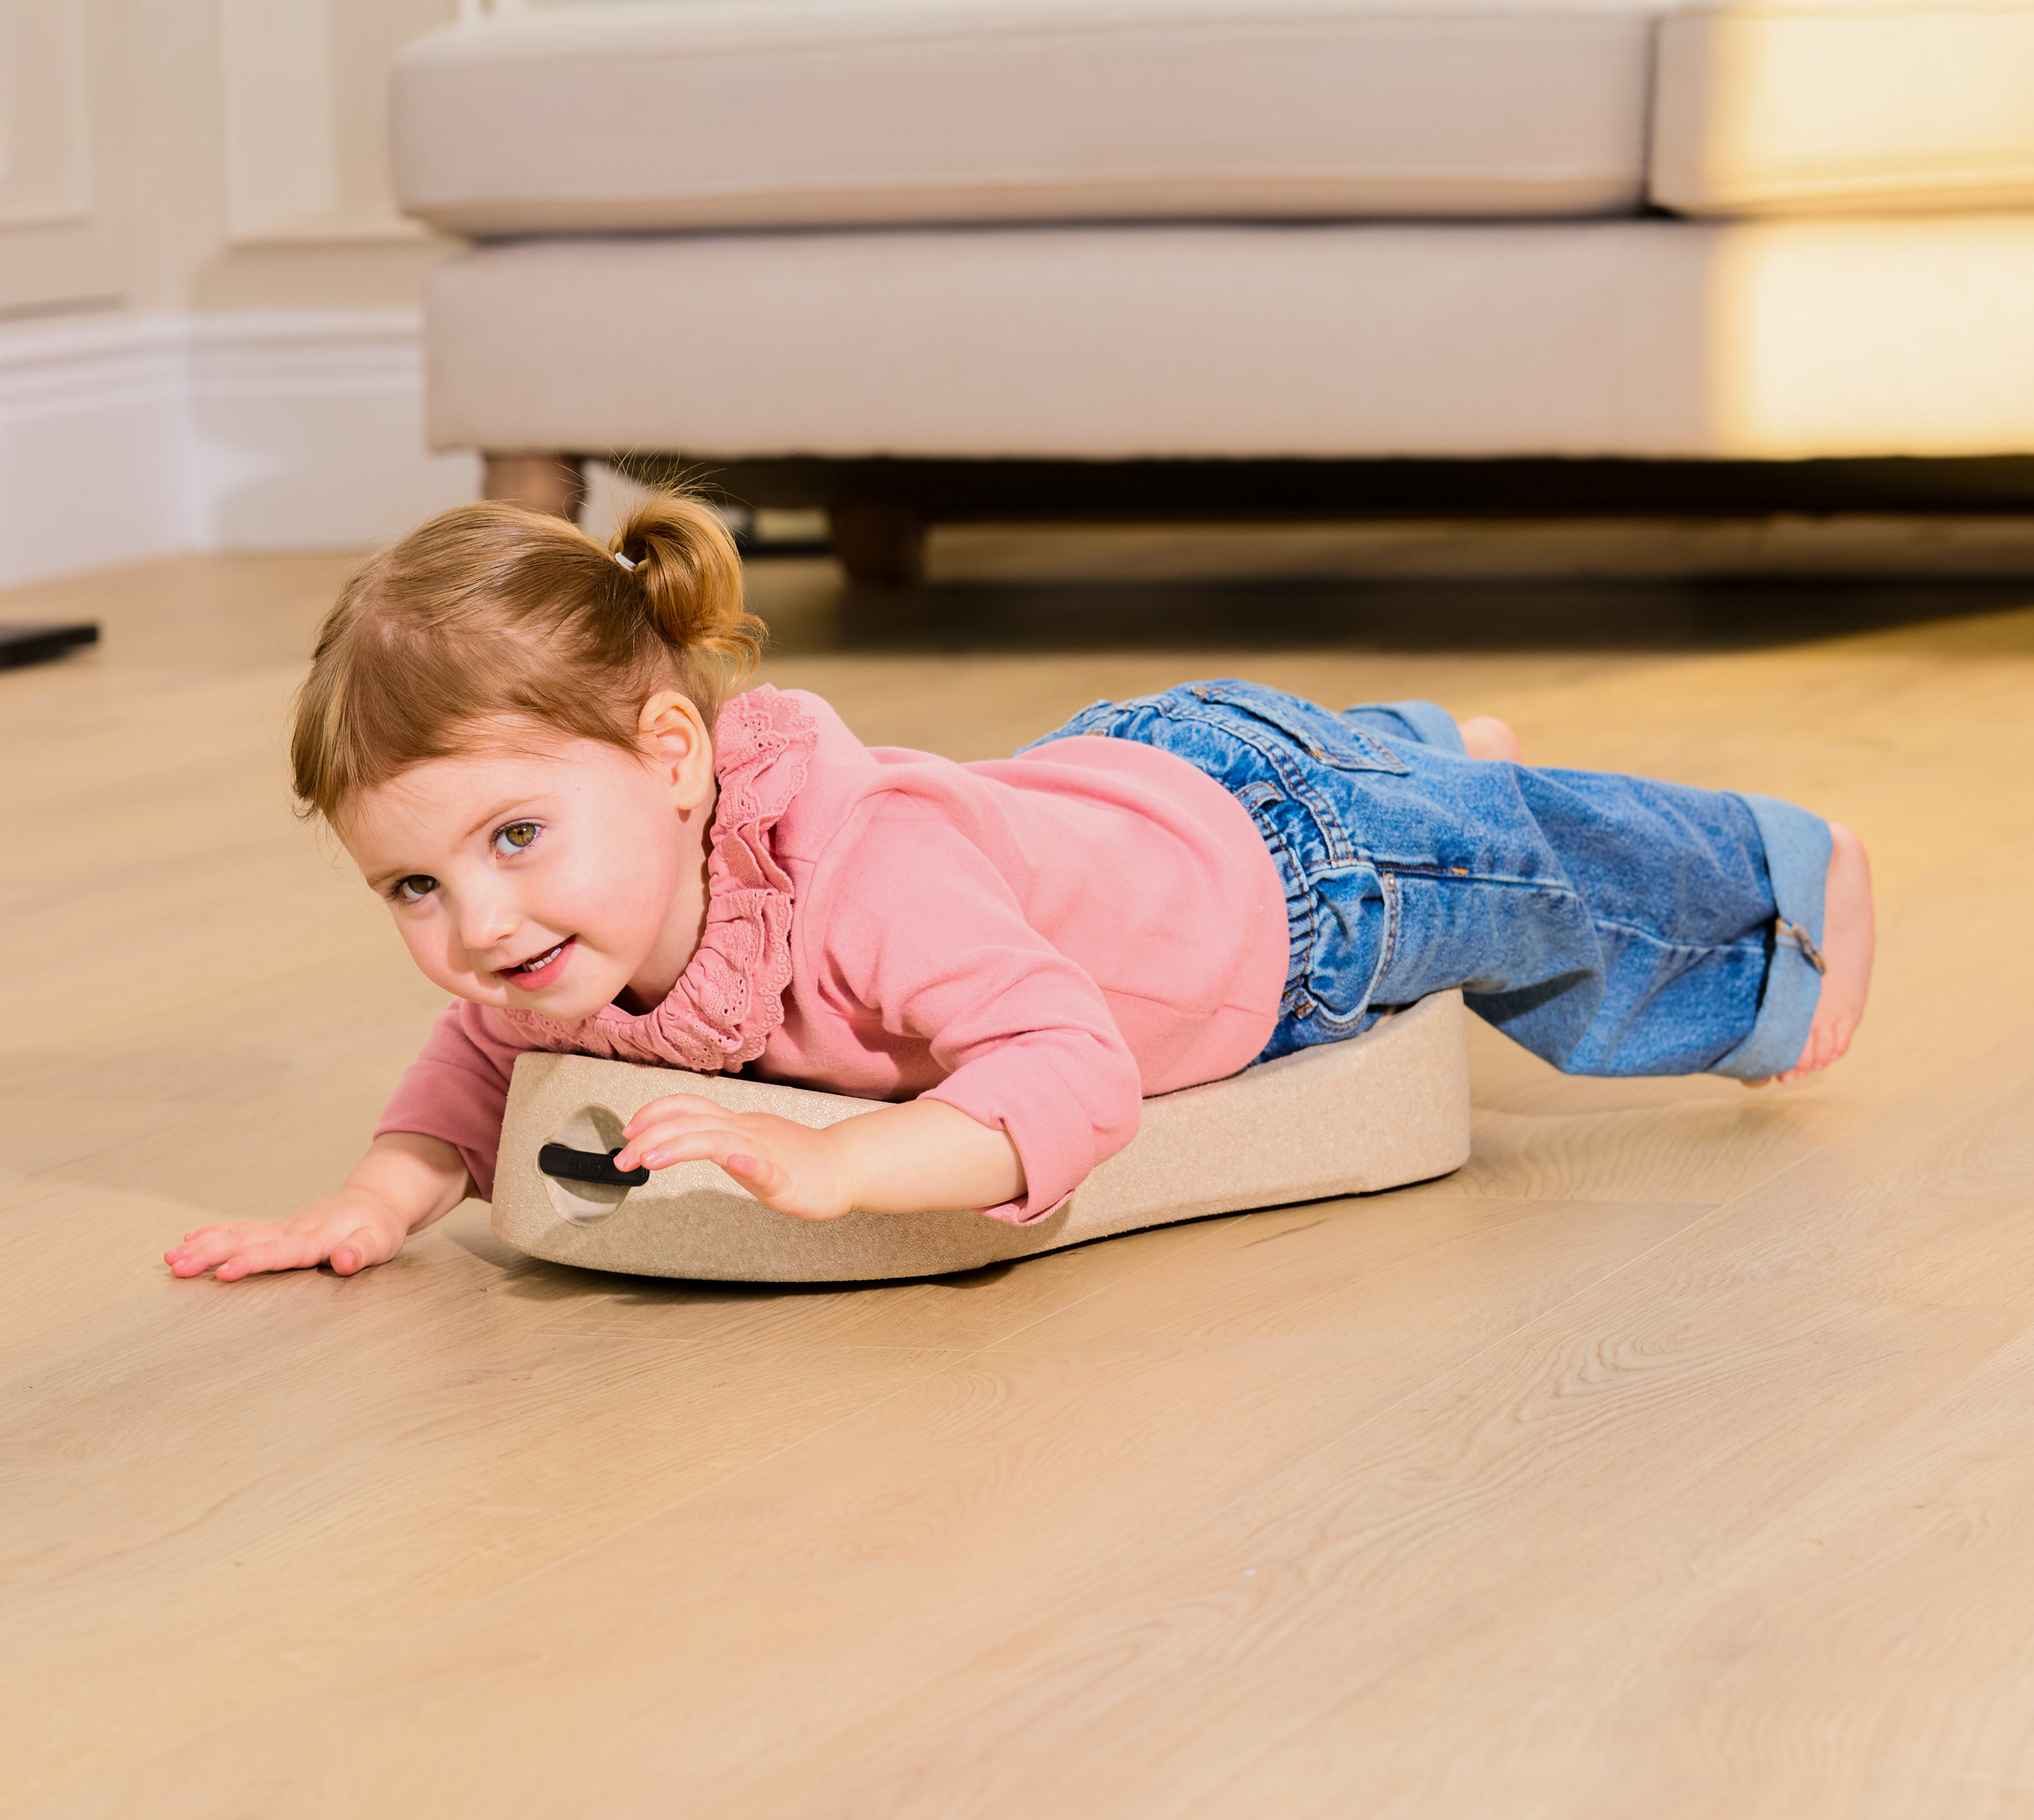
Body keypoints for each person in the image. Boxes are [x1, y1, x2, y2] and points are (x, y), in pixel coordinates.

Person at [166, 496, 1874, 1284]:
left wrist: (843, 1164)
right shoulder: (555, 940)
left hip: (1283, 880)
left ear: (675, 760)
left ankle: (1770, 907)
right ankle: (1410, 745)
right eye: (409, 880)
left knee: (1528, 880)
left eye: (511, 838)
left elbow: (1070, 1070)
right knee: (1383, 777)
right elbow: (476, 1069)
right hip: (1110, 779)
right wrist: (378, 1199)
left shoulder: (863, 881)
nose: (472, 929)